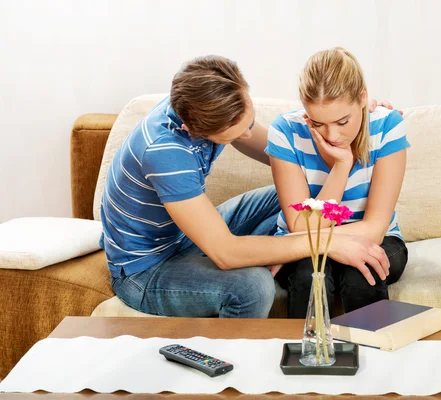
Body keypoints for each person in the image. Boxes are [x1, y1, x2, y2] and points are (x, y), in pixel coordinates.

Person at [100, 54, 391, 318]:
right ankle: (239, 369)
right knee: (254, 287)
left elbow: (284, 156)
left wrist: (358, 118)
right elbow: (226, 254)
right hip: (146, 268)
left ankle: (278, 250)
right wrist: (328, 243)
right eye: (235, 135)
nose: (249, 134)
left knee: (297, 201)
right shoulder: (166, 153)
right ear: (195, 130)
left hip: (184, 235)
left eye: (248, 122)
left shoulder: (200, 98)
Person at [266, 47, 409, 318]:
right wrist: (342, 166)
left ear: (363, 98)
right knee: (308, 275)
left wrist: (303, 243)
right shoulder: (285, 131)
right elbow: (300, 224)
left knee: (361, 272)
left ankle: (372, 357)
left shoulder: (387, 125)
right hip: (303, 246)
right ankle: (307, 357)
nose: (332, 135)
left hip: (375, 238)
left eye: (343, 121)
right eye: (317, 123)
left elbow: (375, 229)